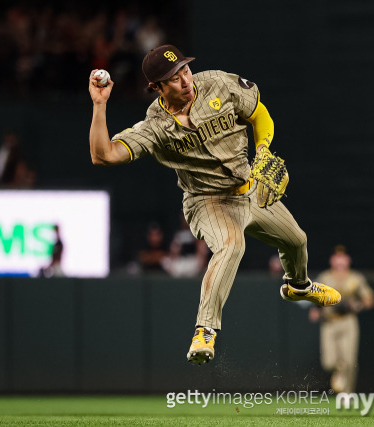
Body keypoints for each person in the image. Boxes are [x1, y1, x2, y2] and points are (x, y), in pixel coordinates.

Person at [87, 44, 341, 365]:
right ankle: (205, 330)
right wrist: (99, 106)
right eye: (173, 78)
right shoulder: (155, 126)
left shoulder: (217, 83)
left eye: (184, 70)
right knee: (232, 245)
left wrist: (262, 150)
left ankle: (298, 286)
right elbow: (104, 155)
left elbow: (259, 113)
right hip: (208, 200)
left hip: (249, 189)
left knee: (296, 241)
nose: (185, 79)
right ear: (157, 88)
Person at [309, 245, 374, 393]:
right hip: (329, 321)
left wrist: (358, 305)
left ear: (348, 260)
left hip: (348, 321)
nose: (340, 261)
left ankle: (347, 393)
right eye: (337, 258)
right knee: (328, 362)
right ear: (332, 260)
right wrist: (316, 310)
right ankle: (339, 372)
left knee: (350, 361)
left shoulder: (355, 278)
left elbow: (369, 299)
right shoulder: (325, 277)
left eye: (343, 258)